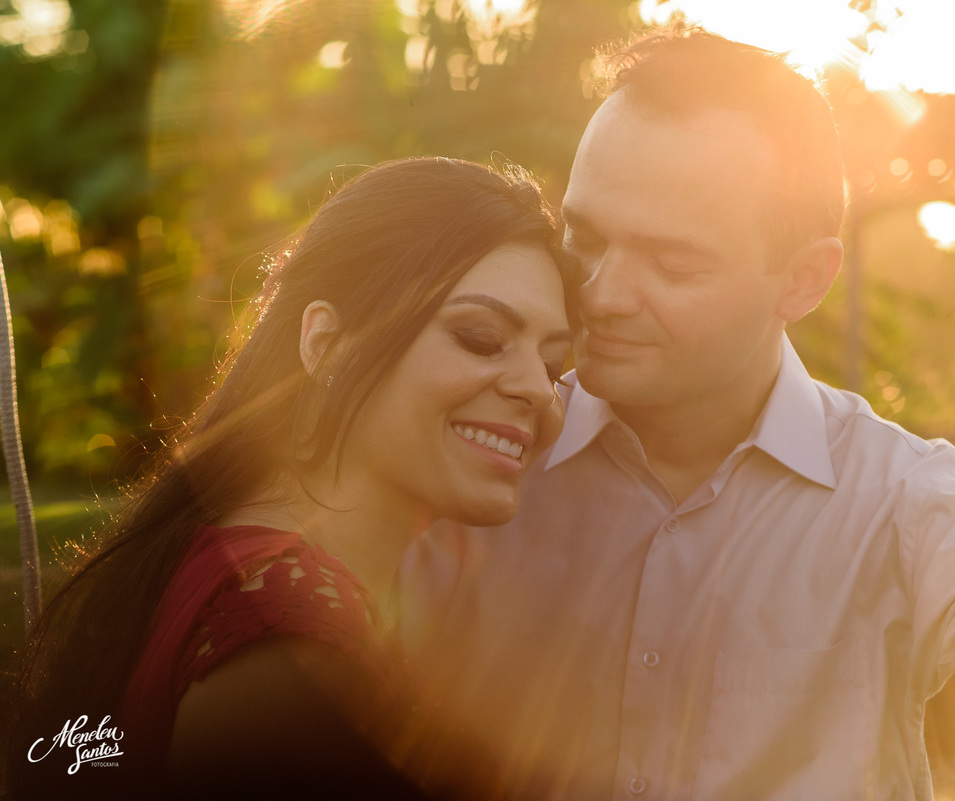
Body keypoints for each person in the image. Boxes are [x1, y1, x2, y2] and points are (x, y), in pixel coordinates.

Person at [399, 24, 955, 801]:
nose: (602, 295)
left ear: (804, 280)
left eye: (672, 263)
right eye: (585, 235)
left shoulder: (906, 505)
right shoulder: (476, 453)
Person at [6, 157, 573, 799]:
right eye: (480, 337)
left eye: (553, 365)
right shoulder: (294, 653)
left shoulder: (211, 563)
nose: (538, 391)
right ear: (326, 343)